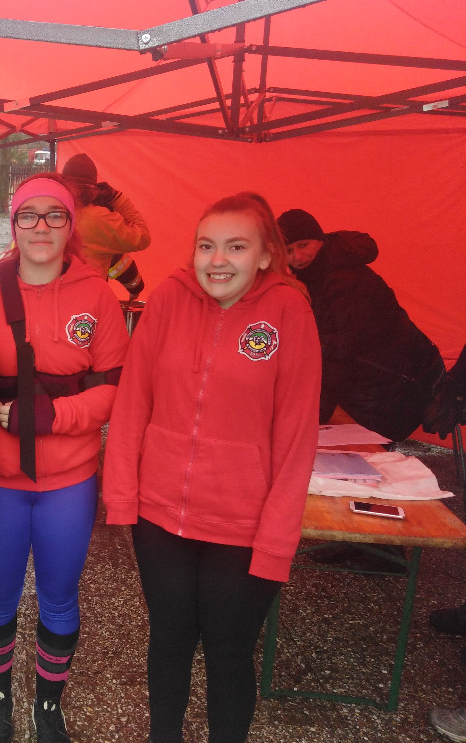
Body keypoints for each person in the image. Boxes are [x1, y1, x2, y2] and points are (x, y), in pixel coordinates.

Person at [103, 192, 321, 743]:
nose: (217, 260)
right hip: (161, 518)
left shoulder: (289, 311)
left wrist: (277, 538)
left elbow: (297, 435)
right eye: (206, 246)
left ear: (266, 255)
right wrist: (122, 498)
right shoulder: (169, 299)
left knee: (228, 654)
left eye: (236, 247)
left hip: (243, 527)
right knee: (168, 641)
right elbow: (132, 402)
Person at [0, 173, 129, 743]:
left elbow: (114, 388)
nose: (41, 227)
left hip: (69, 482)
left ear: (71, 225)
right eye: (28, 215)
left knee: (58, 596)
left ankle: (48, 704)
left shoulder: (99, 297)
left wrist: (56, 416)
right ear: (13, 224)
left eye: (55, 215)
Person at [277, 208, 445, 443]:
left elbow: (335, 353)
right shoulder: (316, 276)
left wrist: (313, 417)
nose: (298, 256)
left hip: (405, 385)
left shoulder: (343, 280)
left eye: (303, 245)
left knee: (333, 434)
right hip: (386, 376)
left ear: (320, 239)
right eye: (288, 251)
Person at [60, 153, 151, 298]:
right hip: (88, 304)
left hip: (51, 301)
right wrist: (116, 198)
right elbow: (143, 237)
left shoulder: (50, 213)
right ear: (93, 190)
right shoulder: (100, 219)